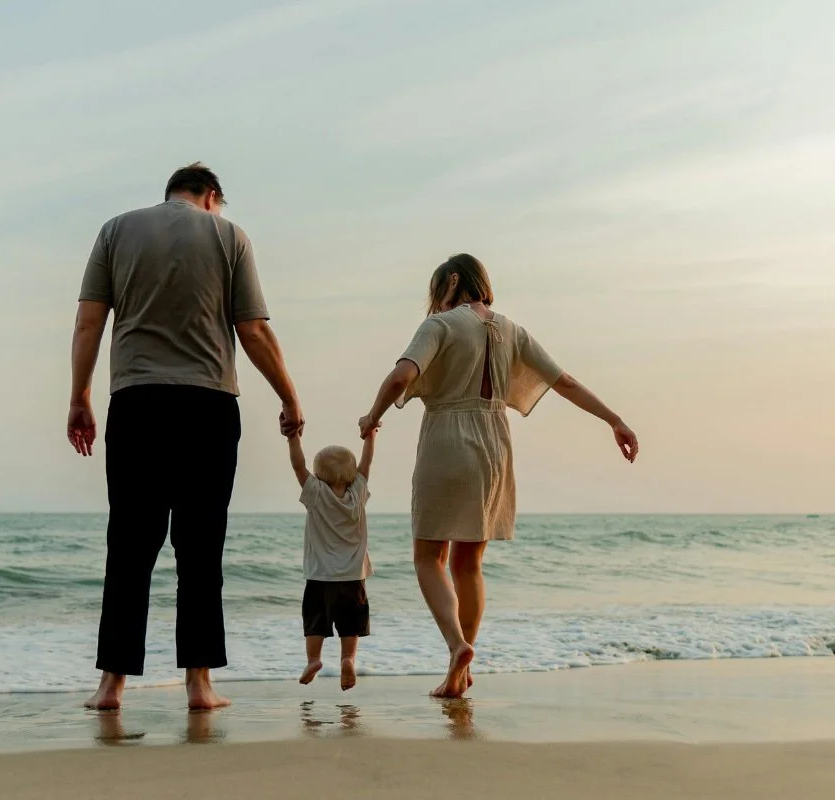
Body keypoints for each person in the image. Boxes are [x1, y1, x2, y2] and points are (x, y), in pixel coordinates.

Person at [68, 162, 303, 711]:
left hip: (136, 402)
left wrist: (79, 395)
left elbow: (87, 322)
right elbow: (253, 329)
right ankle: (199, 685)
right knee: (200, 550)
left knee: (129, 547)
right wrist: (288, 394)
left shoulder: (116, 229)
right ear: (212, 196)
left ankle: (111, 686)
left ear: (170, 192)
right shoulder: (228, 235)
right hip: (208, 406)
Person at [357, 254, 638, 699]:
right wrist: (615, 420)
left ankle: (455, 646)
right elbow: (562, 381)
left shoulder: (441, 325)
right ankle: (459, 672)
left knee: (429, 557)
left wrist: (371, 417)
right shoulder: (511, 330)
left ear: (451, 282)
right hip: (494, 442)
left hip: (447, 438)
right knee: (470, 563)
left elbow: (400, 377)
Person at [286, 427, 376, 691]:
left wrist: (294, 437)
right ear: (351, 473)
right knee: (351, 625)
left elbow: (297, 465)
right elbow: (367, 463)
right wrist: (370, 437)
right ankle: (348, 659)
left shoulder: (315, 492)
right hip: (353, 577)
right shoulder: (358, 491)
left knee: (315, 622)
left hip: (319, 577)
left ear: (318, 475)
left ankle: (313, 660)